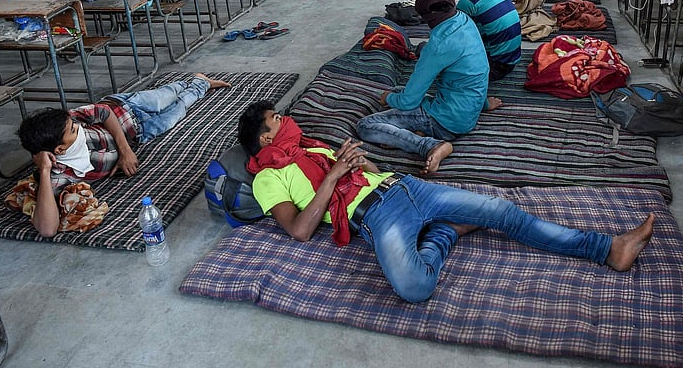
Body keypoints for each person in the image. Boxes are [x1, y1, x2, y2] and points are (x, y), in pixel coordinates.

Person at [239, 101, 656, 303]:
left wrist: (358, 163)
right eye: (278, 119)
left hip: (403, 186)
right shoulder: (269, 177)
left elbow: (356, 175)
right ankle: (442, 234)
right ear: (265, 139)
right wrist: (333, 176)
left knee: (501, 211)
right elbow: (299, 229)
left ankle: (607, 248)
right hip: (378, 217)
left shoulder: (309, 146)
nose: (287, 120)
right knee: (415, 288)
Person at [16, 73, 231, 236]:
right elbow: (47, 229)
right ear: (59, 150)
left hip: (127, 107)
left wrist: (125, 152)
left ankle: (191, 80)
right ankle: (201, 83)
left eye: (73, 124)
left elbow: (105, 111)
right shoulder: (60, 173)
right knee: (178, 110)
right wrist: (43, 171)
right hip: (141, 132)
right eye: (72, 130)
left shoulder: (71, 118)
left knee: (165, 96)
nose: (77, 126)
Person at [356, 0, 501, 174]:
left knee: (367, 125)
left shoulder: (439, 46)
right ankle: (405, 131)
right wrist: (484, 103)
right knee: (401, 91)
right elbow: (475, 70)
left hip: (447, 121)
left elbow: (408, 102)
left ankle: (428, 145)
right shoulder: (465, 21)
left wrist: (388, 97)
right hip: (469, 112)